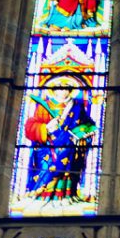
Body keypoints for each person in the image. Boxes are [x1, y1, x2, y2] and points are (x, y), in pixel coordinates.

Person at [22, 77, 96, 209]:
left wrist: (85, 132)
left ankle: (64, 196)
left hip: (70, 145)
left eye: (67, 89)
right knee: (45, 168)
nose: (64, 91)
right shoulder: (45, 106)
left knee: (68, 169)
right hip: (48, 146)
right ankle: (41, 195)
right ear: (54, 90)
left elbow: (88, 123)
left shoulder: (77, 106)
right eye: (61, 89)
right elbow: (31, 126)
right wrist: (47, 127)